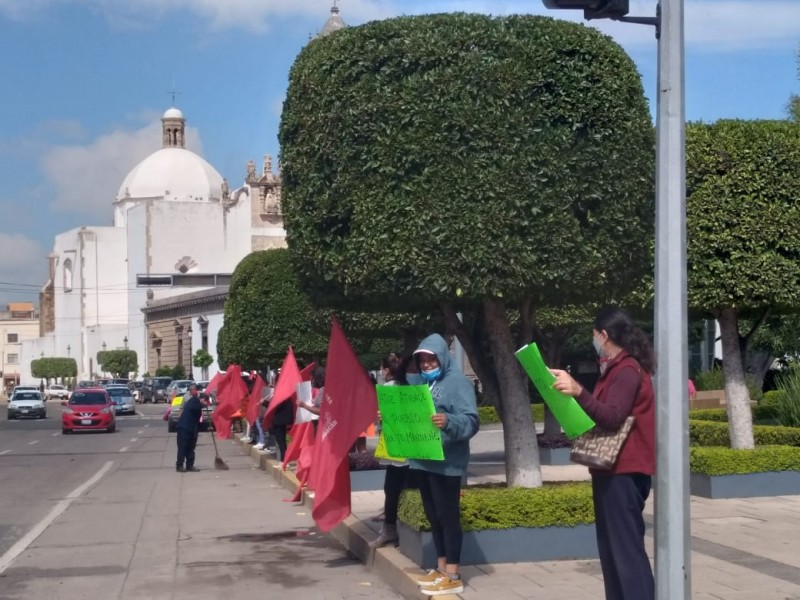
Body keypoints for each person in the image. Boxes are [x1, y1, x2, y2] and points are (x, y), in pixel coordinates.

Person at [550, 307, 656, 600]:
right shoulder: (616, 368)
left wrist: (578, 391)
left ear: (604, 335)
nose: (593, 340)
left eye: (594, 334)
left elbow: (612, 416)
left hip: (624, 471)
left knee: (626, 553)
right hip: (611, 470)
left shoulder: (626, 370)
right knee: (612, 552)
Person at [409, 334, 479, 597]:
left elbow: (471, 422)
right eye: (422, 360)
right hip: (423, 461)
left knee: (448, 518)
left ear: (442, 357)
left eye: (431, 359)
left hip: (447, 463)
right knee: (433, 517)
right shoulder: (420, 384)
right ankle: (440, 569)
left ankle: (453, 574)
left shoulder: (457, 382)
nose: (427, 364)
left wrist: (448, 421)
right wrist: (390, 418)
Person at [370, 353, 412, 549]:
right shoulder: (412, 387)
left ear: (386, 371)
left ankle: (390, 530)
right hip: (410, 446)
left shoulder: (388, 389)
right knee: (404, 487)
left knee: (392, 488)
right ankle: (398, 530)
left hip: (395, 446)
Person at [176, 385, 210, 472]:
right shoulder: (193, 401)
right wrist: (201, 404)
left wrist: (207, 427)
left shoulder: (197, 403)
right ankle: (179, 465)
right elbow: (194, 407)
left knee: (191, 448)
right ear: (202, 400)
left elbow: (198, 420)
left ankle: (190, 465)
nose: (207, 404)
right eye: (206, 402)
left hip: (192, 429)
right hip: (184, 428)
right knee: (182, 447)